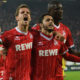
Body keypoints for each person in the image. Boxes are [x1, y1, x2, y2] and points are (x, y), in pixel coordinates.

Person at [31, 1, 80, 80]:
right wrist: (54, 32)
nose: (60, 11)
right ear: (49, 11)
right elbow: (28, 35)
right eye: (57, 9)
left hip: (58, 73)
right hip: (40, 73)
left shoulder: (66, 29)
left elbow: (70, 53)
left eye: (61, 9)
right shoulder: (38, 27)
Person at [0, 4, 33, 80]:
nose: (25, 14)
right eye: (22, 12)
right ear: (17, 18)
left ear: (30, 18)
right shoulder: (8, 35)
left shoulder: (32, 35)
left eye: (27, 13)